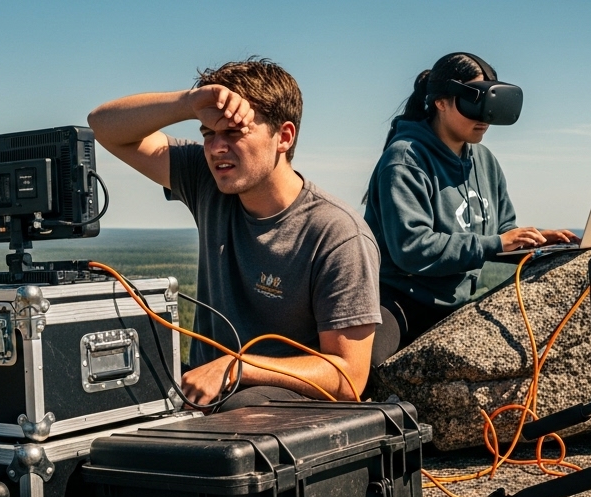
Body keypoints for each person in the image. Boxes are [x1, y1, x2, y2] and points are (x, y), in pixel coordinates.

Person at [88, 59, 382, 411]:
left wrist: (237, 367)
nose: (215, 148)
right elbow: (103, 126)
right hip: (206, 392)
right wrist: (187, 102)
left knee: (240, 406)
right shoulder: (208, 182)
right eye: (208, 133)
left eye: (233, 132)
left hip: (282, 409)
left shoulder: (336, 234)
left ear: (283, 137)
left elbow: (348, 378)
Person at [364, 52, 577, 358]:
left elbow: (502, 230)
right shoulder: (405, 160)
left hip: (455, 303)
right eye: (474, 103)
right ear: (440, 101)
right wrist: (495, 243)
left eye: (490, 106)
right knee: (365, 368)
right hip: (399, 301)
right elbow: (412, 249)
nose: (484, 118)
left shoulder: (485, 161)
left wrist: (540, 244)